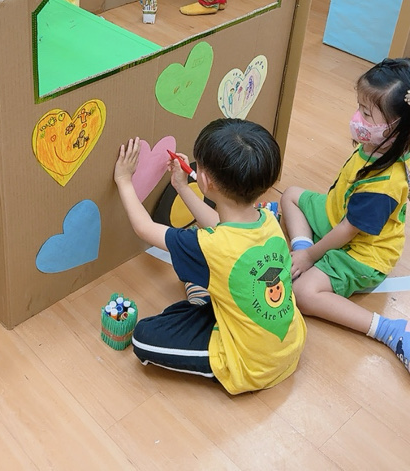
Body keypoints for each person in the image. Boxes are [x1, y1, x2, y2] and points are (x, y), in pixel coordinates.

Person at [113, 119, 306, 394]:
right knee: (202, 273)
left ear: (204, 180)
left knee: (143, 338)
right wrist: (181, 187)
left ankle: (203, 302)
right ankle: (205, 298)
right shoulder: (268, 220)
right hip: (288, 341)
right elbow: (220, 225)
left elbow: (144, 228)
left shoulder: (209, 246)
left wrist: (124, 180)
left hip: (252, 363)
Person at [280, 58, 410, 385]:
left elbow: (349, 230)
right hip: (337, 216)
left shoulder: (384, 184)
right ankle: (305, 247)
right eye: (359, 107)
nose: (357, 118)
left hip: (362, 253)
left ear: (398, 125)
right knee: (290, 195)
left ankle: (389, 330)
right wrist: (306, 251)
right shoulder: (379, 143)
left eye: (366, 113)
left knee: (303, 293)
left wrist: (310, 256)